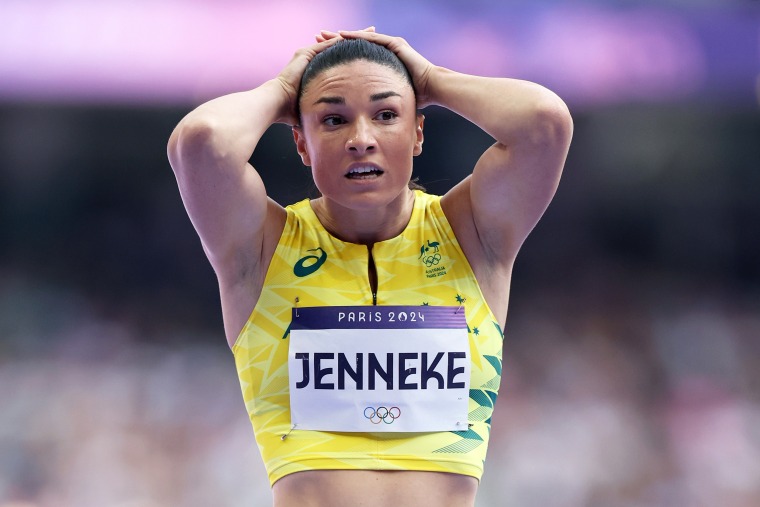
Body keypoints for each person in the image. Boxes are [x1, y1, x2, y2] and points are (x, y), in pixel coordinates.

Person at [167, 27, 572, 507]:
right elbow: (201, 141)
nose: (362, 139)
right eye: (333, 120)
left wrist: (432, 79)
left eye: (386, 115)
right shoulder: (260, 250)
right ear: (301, 143)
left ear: (418, 131)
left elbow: (544, 123)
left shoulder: (473, 236)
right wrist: (281, 91)